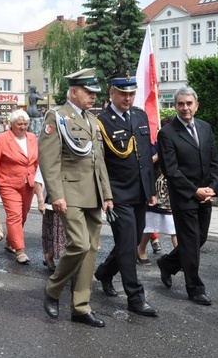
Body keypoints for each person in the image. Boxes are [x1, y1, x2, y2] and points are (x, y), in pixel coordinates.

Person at [40, 68, 113, 328]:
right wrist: (55, 195)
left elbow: (98, 161)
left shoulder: (92, 120)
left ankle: (81, 307)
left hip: (92, 194)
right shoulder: (57, 117)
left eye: (95, 93)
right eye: (88, 92)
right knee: (79, 245)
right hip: (69, 194)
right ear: (74, 91)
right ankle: (52, 288)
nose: (93, 97)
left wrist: (106, 194)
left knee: (92, 249)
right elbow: (49, 161)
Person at [94, 70, 158, 317]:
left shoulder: (140, 116)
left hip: (140, 192)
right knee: (129, 245)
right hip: (117, 194)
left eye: (131, 94)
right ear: (112, 93)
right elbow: (99, 163)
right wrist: (105, 196)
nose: (128, 98)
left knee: (128, 243)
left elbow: (145, 160)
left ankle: (104, 273)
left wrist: (150, 190)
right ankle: (135, 297)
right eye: (123, 94)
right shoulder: (102, 121)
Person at [156, 87, 218, 306]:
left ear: (196, 105)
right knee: (191, 243)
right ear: (175, 106)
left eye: (189, 103)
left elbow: (214, 161)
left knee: (199, 239)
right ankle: (195, 288)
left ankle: (167, 263)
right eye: (181, 104)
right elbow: (171, 170)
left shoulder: (205, 128)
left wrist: (212, 188)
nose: (185, 108)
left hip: (205, 196)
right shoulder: (167, 133)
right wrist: (194, 191)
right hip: (185, 196)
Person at [0, 110, 39, 264]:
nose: (23, 127)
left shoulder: (32, 138)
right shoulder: (2, 139)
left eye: (25, 124)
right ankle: (20, 251)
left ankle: (11, 241)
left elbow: (37, 161)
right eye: (19, 124)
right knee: (14, 216)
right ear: (12, 124)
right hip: (8, 183)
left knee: (23, 214)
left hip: (28, 183)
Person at [138, 116, 178, 265]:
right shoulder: (153, 147)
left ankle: (179, 257)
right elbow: (145, 164)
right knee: (150, 225)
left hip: (171, 193)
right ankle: (140, 250)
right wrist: (158, 155)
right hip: (155, 191)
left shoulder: (177, 145)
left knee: (175, 227)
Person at [35, 166, 65, 272]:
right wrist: (40, 201)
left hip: (71, 202)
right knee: (51, 232)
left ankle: (66, 262)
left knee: (66, 234)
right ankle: (48, 256)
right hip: (52, 203)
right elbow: (38, 181)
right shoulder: (49, 154)